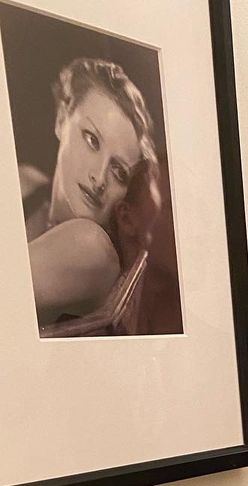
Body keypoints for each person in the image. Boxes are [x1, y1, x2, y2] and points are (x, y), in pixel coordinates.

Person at [20, 55, 161, 331]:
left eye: (119, 172)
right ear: (62, 119)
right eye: (92, 140)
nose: (98, 178)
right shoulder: (25, 182)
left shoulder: (93, 248)